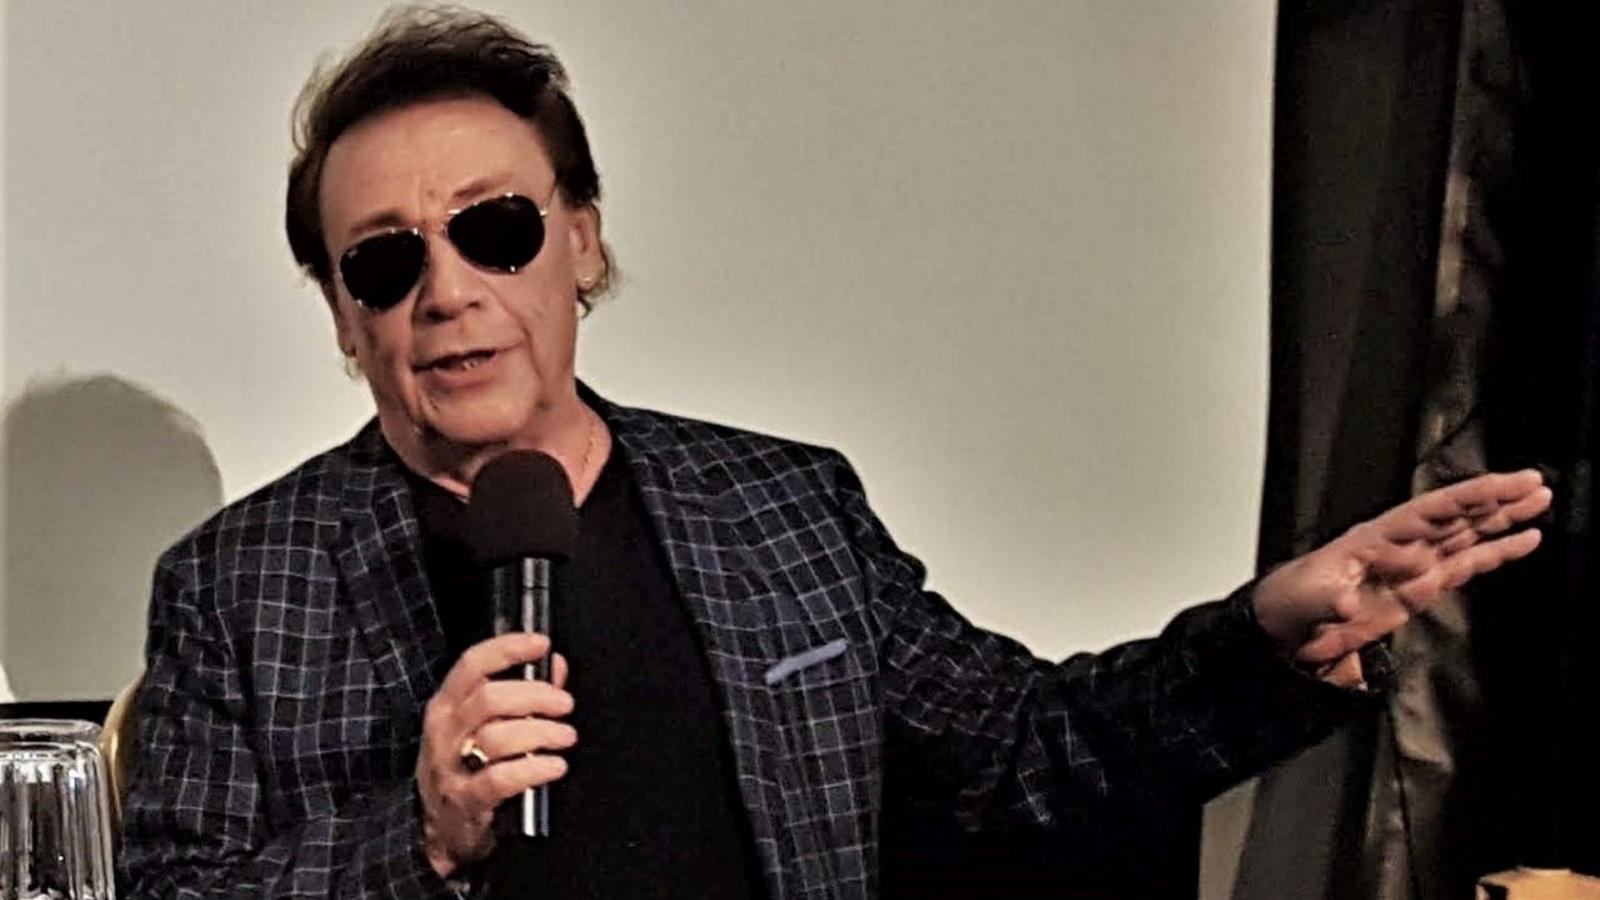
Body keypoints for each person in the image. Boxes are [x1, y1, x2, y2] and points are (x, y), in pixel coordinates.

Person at [116, 8, 1553, 900]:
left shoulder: (782, 509)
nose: (446, 291)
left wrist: (1268, 638)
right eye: (384, 261)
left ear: (583, 243)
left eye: (495, 230)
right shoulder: (237, 585)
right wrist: (421, 838)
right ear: (344, 317)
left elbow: (1026, 754)